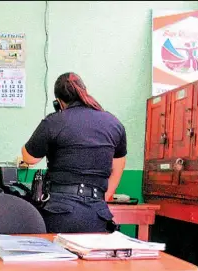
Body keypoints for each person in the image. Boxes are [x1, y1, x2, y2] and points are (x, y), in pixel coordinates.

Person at [21, 72, 127, 233]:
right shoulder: (114, 123)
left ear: (58, 101)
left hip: (59, 212)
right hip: (98, 213)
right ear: (85, 91)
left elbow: (29, 158)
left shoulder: (54, 121)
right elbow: (118, 167)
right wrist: (102, 198)